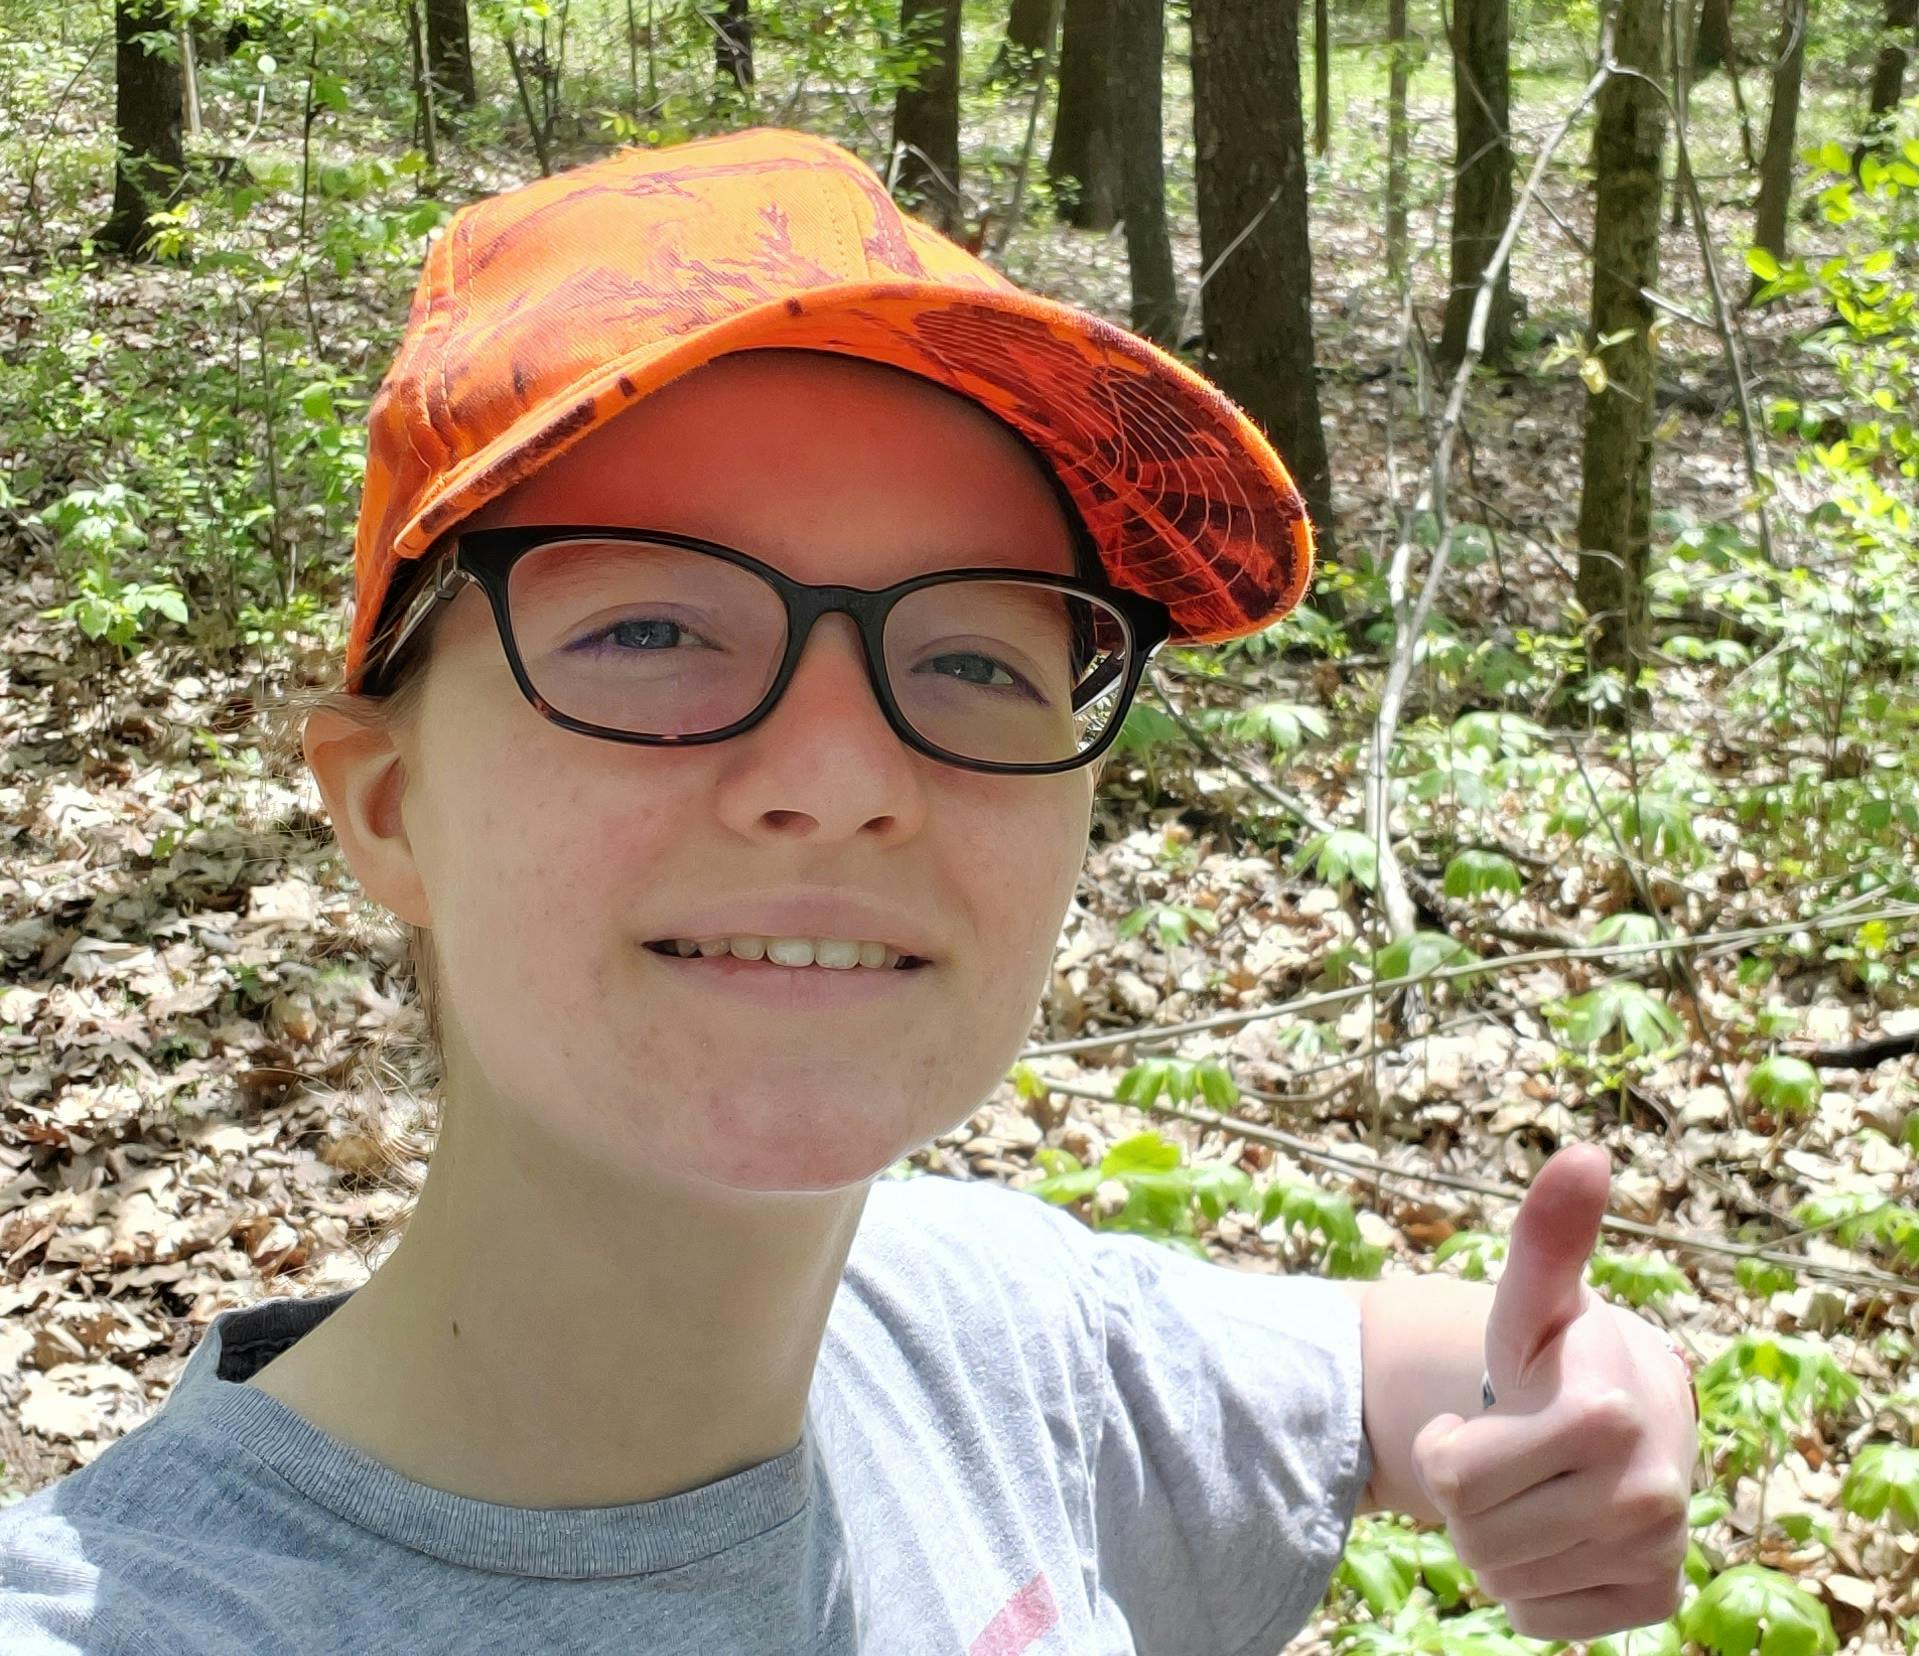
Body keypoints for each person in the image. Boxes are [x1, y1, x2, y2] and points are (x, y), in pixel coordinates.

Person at [0, 127, 1698, 1654]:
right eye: (650, 631)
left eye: (968, 656)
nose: (841, 776)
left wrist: (1578, 1398)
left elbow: (1395, 1374)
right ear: (385, 805)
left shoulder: (977, 1332)